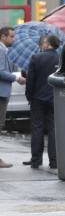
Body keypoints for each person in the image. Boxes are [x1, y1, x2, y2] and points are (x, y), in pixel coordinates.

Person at [23, 35, 61, 169]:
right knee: (53, 129)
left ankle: (36, 160)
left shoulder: (36, 58)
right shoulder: (60, 58)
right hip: (54, 98)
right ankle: (54, 161)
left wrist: (29, 96)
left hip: (37, 99)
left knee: (37, 128)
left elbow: (30, 81)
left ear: (47, 43)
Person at [0, 26, 26, 169]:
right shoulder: (1, 50)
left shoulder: (5, 50)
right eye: (11, 36)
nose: (13, 39)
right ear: (3, 36)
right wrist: (16, 78)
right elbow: (1, 71)